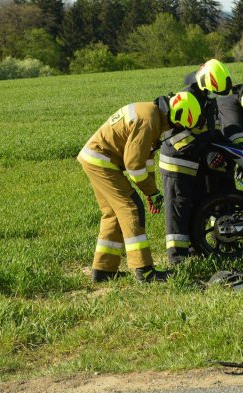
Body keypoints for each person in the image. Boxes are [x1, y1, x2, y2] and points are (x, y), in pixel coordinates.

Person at [78, 91, 201, 283]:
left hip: (94, 158)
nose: (174, 129)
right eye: (178, 125)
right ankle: (144, 271)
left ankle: (103, 271)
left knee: (112, 214)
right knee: (131, 209)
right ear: (176, 117)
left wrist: (150, 191)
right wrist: (152, 191)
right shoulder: (148, 120)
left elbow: (146, 157)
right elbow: (134, 165)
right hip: (102, 161)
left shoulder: (153, 114)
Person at [159, 60, 232, 265]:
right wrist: (207, 154)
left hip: (194, 162)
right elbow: (177, 135)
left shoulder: (207, 99)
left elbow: (213, 130)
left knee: (195, 206)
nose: (213, 95)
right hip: (177, 163)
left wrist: (221, 150)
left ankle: (194, 248)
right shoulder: (186, 98)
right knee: (178, 209)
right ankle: (177, 258)